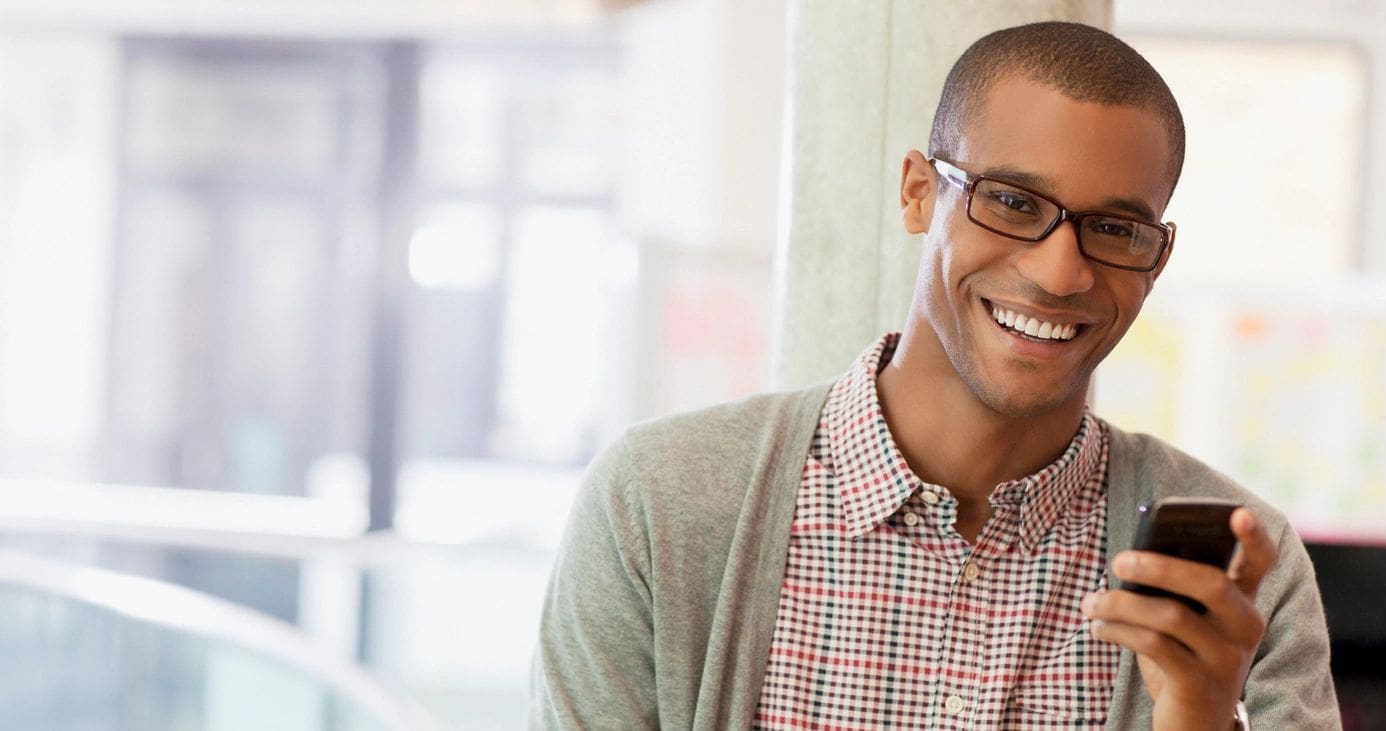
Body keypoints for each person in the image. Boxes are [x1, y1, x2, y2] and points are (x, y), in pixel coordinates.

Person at [529, 21, 1339, 730]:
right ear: (920, 192)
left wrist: (1198, 720)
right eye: (1013, 202)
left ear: (1157, 258)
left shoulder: (1245, 577)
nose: (1062, 272)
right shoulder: (661, 508)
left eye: (1115, 229)